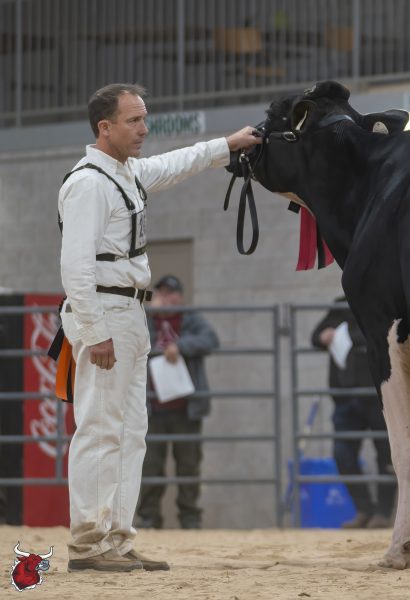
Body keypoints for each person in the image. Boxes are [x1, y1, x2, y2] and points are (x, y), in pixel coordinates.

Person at [57, 83, 260, 572]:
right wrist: (95, 330)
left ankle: (116, 537)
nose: (144, 128)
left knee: (131, 432)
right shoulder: (88, 183)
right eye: (133, 120)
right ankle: (88, 542)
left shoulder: (125, 174)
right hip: (106, 310)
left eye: (144, 118)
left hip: (129, 312)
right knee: (100, 428)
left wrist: (227, 145)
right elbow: (75, 267)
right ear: (104, 127)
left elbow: (176, 163)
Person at [135, 274, 219, 530]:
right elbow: (133, 342)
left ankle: (190, 518)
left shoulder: (191, 318)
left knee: (188, 465)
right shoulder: (145, 319)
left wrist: (180, 346)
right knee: (150, 465)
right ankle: (149, 518)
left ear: (180, 297)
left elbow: (210, 339)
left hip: (186, 407)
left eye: (171, 293)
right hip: (152, 406)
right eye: (161, 292)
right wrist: (150, 313)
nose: (166, 298)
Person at [311, 296, 395, 529]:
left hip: (380, 395)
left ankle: (383, 513)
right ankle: (364, 509)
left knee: (387, 454)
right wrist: (324, 336)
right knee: (342, 454)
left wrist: (345, 335)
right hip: (346, 396)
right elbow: (315, 336)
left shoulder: (380, 300)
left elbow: (385, 335)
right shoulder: (341, 303)